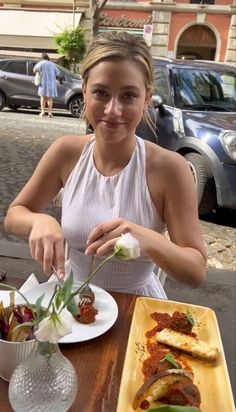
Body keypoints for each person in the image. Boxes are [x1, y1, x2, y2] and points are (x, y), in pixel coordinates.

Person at [4, 31, 207, 298]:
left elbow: (195, 272)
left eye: (128, 96)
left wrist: (146, 239)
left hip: (136, 307)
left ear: (147, 97)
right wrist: (38, 221)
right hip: (71, 303)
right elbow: (15, 215)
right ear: (85, 90)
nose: (113, 110)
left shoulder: (170, 168)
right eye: (101, 92)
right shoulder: (66, 152)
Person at [33, 53, 60, 118]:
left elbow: (35, 69)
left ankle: (42, 112)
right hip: (51, 84)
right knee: (49, 98)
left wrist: (38, 72)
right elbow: (58, 73)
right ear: (48, 58)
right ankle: (50, 112)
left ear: (42, 58)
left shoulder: (41, 63)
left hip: (43, 83)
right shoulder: (52, 64)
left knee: (42, 97)